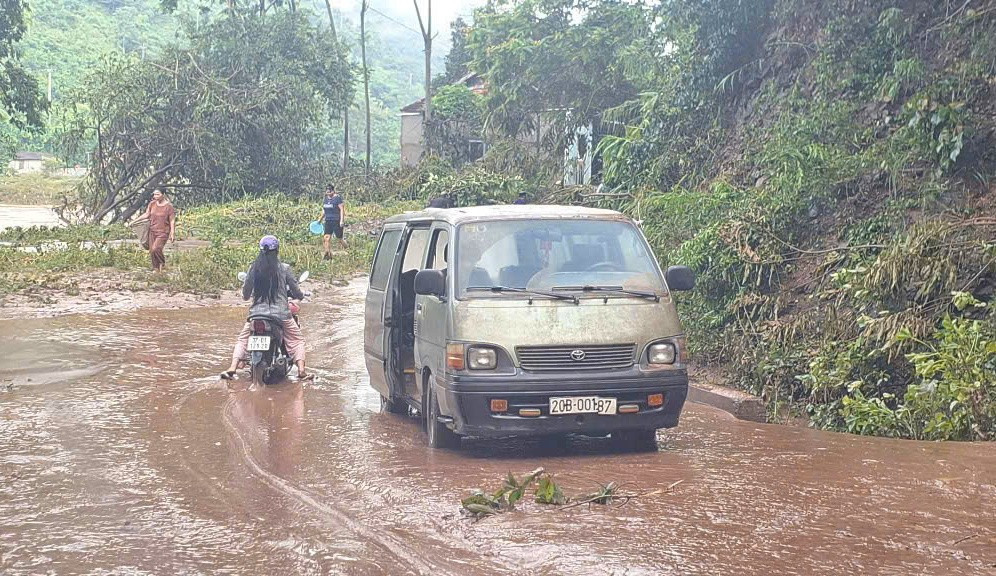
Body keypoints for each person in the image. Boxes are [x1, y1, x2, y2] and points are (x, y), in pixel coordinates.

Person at [221, 235, 312, 381]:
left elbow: (246, 294)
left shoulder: (253, 268)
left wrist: (248, 295)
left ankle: (232, 367)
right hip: (281, 315)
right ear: (277, 251)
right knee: (296, 340)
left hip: (256, 314)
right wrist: (300, 296)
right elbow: (295, 290)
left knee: (243, 339)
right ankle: (301, 370)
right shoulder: (284, 268)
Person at [133, 189, 176, 271]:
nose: (155, 196)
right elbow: (146, 214)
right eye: (154, 194)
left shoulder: (169, 207)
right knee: (152, 251)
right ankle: (155, 268)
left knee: (156, 248)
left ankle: (162, 264)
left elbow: (172, 220)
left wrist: (172, 233)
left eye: (158, 194)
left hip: (163, 232)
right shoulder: (152, 204)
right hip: (152, 230)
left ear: (163, 194)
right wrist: (135, 221)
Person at [319, 184, 346, 259]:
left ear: (333, 191)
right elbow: (324, 211)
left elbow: (341, 209)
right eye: (327, 191)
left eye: (329, 191)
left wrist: (341, 221)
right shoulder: (325, 199)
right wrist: (319, 220)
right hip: (328, 221)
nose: (328, 192)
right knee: (326, 238)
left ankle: (348, 248)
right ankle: (327, 254)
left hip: (336, 220)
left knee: (339, 239)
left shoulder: (337, 198)